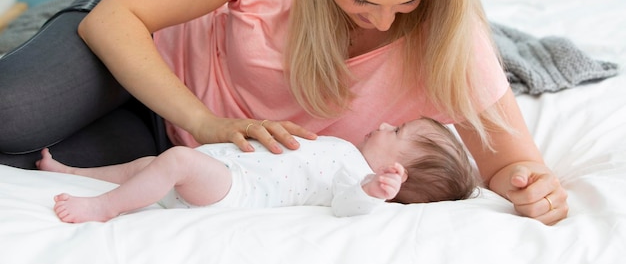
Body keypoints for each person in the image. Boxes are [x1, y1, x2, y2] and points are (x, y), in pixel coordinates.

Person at [0, 0, 568, 224]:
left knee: (28, 162)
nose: (384, 21)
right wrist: (204, 122)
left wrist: (531, 188)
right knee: (10, 113)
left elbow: (512, 164)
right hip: (132, 56)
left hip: (177, 146)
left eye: (408, 2)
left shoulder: (451, 37)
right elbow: (115, 20)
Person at [37, 118, 479, 223]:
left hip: (237, 190)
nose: (384, 123)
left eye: (396, 129)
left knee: (173, 160)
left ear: (394, 170)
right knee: (148, 165)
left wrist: (373, 189)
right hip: (229, 167)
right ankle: (72, 173)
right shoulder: (344, 147)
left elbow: (350, 205)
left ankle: (102, 208)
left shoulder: (357, 177)